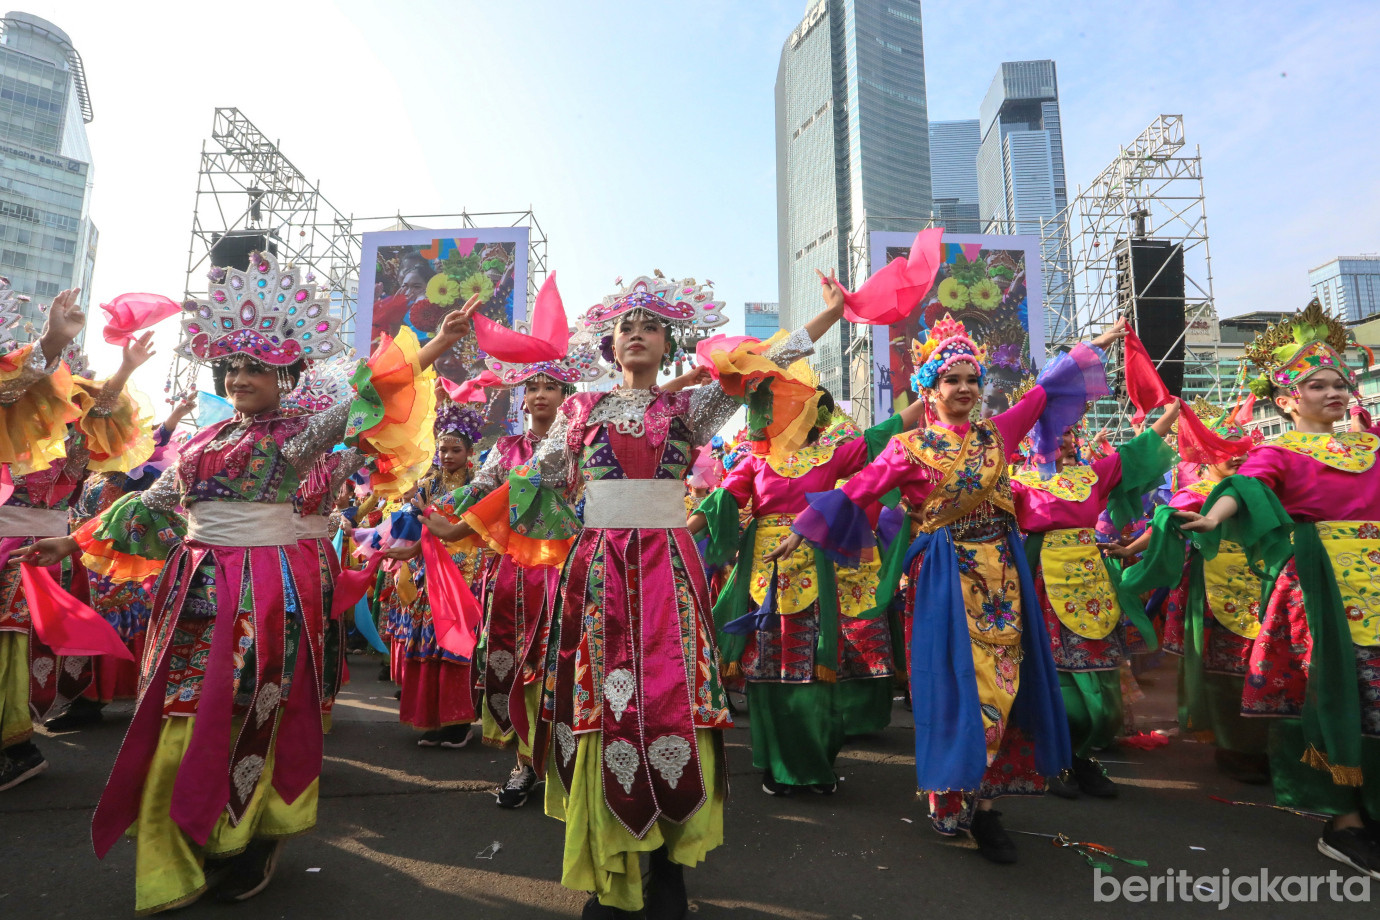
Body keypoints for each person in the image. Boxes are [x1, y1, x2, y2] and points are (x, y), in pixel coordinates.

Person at [24, 252, 467, 912]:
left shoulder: (301, 439)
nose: (239, 376)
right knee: (180, 711)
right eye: (231, 366)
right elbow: (152, 502)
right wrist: (73, 539)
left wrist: (437, 344)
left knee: (256, 711)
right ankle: (182, 840)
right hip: (196, 590)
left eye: (255, 366)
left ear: (283, 372)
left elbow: (372, 393)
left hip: (272, 592)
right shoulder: (204, 440)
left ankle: (248, 834)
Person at [462, 273, 841, 918]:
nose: (637, 334)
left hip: (668, 569)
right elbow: (529, 481)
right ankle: (613, 862)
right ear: (610, 348)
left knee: (675, 697)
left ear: (669, 343)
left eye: (651, 326)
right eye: (625, 328)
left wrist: (827, 316)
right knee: (602, 704)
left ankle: (670, 860)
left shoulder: (688, 411)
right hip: (599, 569)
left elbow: (763, 363)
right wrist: (462, 520)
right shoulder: (579, 412)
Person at [772, 313, 1127, 864]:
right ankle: (957, 798)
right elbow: (859, 489)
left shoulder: (996, 435)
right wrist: (802, 530)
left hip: (1003, 575)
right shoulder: (908, 447)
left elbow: (1044, 390)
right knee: (958, 688)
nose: (964, 390)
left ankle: (985, 802)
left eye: (972, 380)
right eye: (951, 380)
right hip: (945, 577)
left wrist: (1092, 345)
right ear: (929, 389)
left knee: (1004, 685)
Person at [689, 282, 927, 796]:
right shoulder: (753, 458)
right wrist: (669, 537)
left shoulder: (832, 454)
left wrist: (929, 397)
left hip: (820, 566)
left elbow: (881, 437)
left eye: (777, 400)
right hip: (766, 571)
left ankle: (815, 764)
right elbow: (722, 504)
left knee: (818, 670)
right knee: (770, 671)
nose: (769, 409)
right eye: (764, 402)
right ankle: (777, 764)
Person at [1175, 300, 1380, 877]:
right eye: (1318, 385)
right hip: (1322, 590)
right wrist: (1215, 518)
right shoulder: (1279, 450)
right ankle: (1343, 822)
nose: (1335, 393)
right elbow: (1245, 486)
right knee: (1337, 696)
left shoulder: (1373, 444)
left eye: (1341, 382)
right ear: (1288, 399)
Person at [426, 332, 604, 807]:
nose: (541, 394)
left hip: (568, 568)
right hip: (513, 574)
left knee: (565, 665)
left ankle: (571, 763)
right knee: (516, 665)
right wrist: (432, 512)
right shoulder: (505, 450)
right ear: (523, 398)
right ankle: (524, 764)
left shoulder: (582, 444)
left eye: (551, 386)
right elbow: (478, 489)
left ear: (567, 397)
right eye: (533, 387)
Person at [1, 285, 154, 790]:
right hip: (15, 545)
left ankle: (16, 744)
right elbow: (10, 388)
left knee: (13, 646)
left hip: (38, 553)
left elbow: (106, 407)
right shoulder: (10, 421)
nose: (65, 409)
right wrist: (48, 345)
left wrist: (126, 368)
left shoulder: (78, 444)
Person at [1010, 396, 1179, 799]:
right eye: (1054, 434)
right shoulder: (1016, 482)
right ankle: (1054, 759)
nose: (1065, 441)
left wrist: (1172, 411)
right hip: (1042, 583)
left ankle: (1081, 756)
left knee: (1106, 699)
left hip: (1092, 585)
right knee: (1060, 687)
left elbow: (1137, 453)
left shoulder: (1090, 477)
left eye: (1068, 433)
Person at [1116, 397, 1268, 782]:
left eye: (1241, 452)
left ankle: (1262, 742)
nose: (1236, 459)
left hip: (1263, 587)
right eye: (1226, 451)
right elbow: (1160, 526)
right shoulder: (1194, 494)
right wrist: (1129, 549)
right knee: (1223, 669)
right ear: (1207, 454)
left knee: (1265, 663)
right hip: (1211, 592)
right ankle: (1233, 745)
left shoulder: (1258, 490)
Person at [47, 394, 197, 733]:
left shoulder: (139, 469)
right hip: (82, 553)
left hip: (115, 562)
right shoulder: (93, 471)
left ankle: (92, 700)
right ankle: (82, 695)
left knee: (105, 627)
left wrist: (174, 416)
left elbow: (158, 440)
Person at [383, 401, 487, 747]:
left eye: (455, 449)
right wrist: (406, 552)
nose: (447, 455)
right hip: (430, 572)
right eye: (442, 449)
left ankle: (459, 723)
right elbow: (416, 526)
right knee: (429, 643)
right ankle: (433, 718)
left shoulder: (478, 483)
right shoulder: (427, 486)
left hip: (466, 574)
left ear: (470, 451)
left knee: (455, 644)